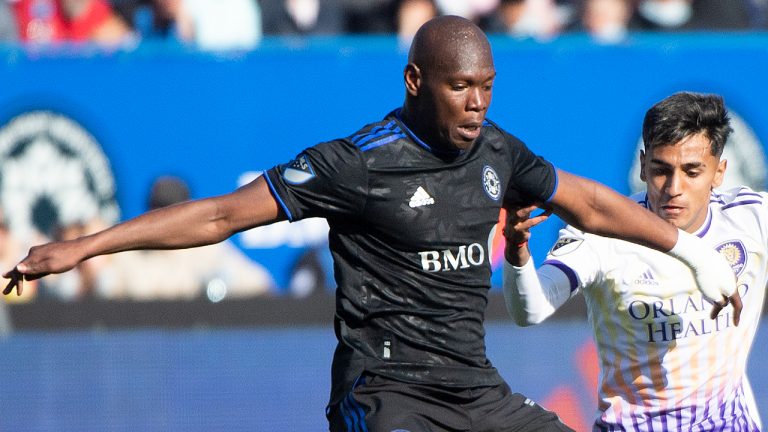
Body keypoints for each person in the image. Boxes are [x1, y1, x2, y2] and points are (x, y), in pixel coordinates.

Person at [3, 17, 738, 432]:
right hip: (385, 395)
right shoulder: (354, 164)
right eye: (460, 88)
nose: (477, 105)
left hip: (473, 392)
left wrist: (691, 254)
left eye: (486, 88)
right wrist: (83, 247)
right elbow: (221, 214)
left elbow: (593, 204)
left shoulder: (497, 151)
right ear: (417, 82)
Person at [503, 92, 760, 430]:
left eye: (692, 172)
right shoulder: (601, 236)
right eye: (660, 170)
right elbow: (530, 310)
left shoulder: (753, 218)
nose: (673, 188)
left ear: (719, 172)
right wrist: (516, 246)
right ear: (642, 165)